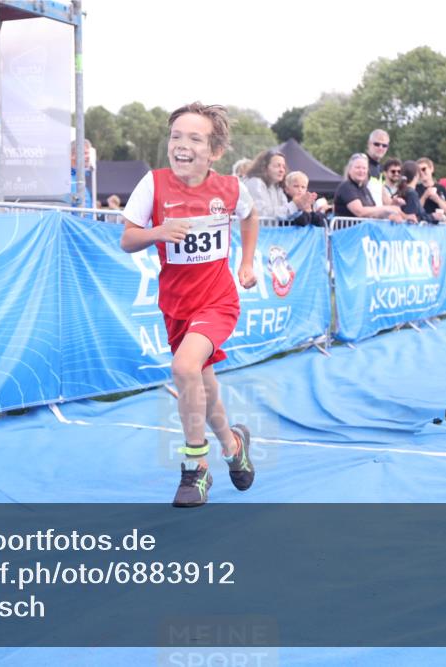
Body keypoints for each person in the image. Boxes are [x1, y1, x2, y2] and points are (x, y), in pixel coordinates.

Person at [119, 102, 257, 508]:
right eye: (176, 136)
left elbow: (250, 218)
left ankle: (195, 468)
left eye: (194, 138)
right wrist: (158, 232)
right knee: (205, 389)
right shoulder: (154, 184)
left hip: (217, 301)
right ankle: (234, 447)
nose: (181, 145)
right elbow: (127, 239)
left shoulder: (231, 189)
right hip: (176, 306)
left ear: (214, 151)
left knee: (182, 368)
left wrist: (247, 262)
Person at [243, 150, 313, 221]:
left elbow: (285, 212)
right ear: (264, 167)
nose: (282, 170)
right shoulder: (254, 182)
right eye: (277, 166)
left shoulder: (277, 187)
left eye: (283, 167)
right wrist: (294, 205)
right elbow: (260, 213)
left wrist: (300, 207)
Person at [333, 154, 404, 220]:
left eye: (364, 168)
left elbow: (374, 212)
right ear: (349, 170)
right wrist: (387, 208)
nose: (361, 171)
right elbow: (360, 212)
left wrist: (392, 213)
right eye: (358, 167)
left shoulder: (364, 189)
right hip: (348, 232)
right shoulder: (346, 187)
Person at [416, 158, 446, 222]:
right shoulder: (415, 188)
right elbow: (414, 211)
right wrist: (425, 196)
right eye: (419, 171)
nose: (421, 172)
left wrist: (438, 200)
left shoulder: (441, 188)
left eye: (423, 169)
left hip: (438, 227)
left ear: (431, 169)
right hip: (421, 226)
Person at [365, 129, 390, 206]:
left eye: (384, 145)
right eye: (377, 144)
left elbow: (384, 197)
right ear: (369, 144)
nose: (380, 148)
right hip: (365, 214)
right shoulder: (362, 164)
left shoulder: (380, 168)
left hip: (377, 214)